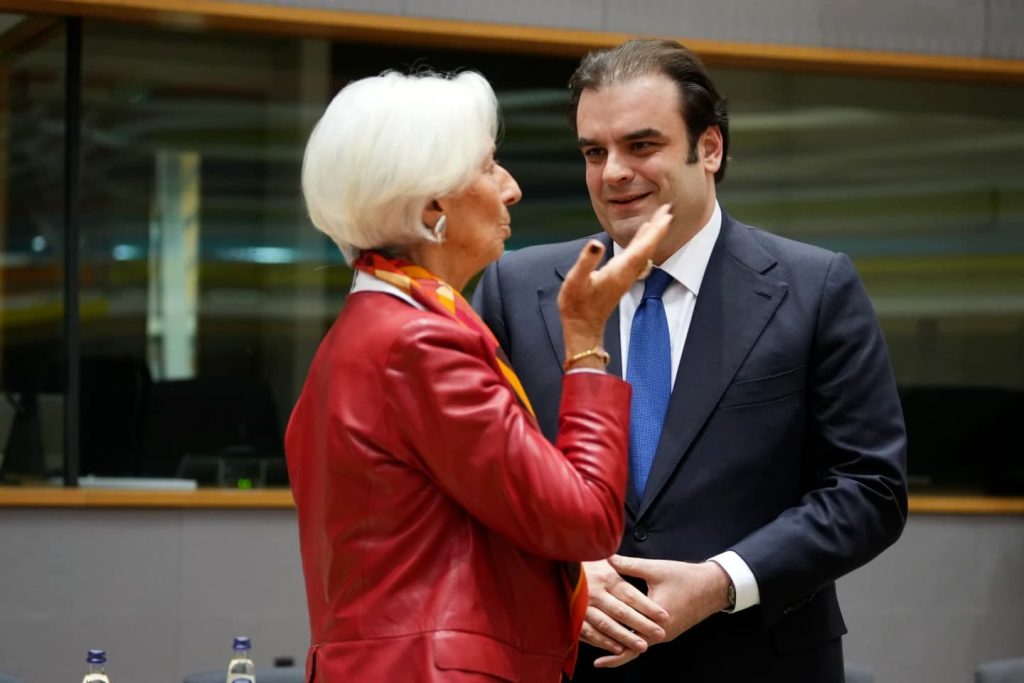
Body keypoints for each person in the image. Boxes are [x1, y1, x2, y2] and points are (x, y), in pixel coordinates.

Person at [473, 39, 908, 682]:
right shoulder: (516, 288)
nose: (613, 172)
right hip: (562, 657)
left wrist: (723, 581)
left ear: (709, 148)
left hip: (755, 659)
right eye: (594, 152)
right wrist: (559, 566)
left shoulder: (815, 288)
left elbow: (869, 489)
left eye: (641, 145)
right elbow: (476, 480)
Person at [285, 68, 671, 683]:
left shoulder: (368, 327)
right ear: (432, 206)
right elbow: (585, 522)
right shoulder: (419, 343)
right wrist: (585, 345)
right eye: (489, 168)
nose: (511, 189)